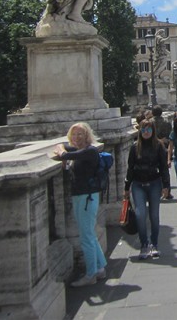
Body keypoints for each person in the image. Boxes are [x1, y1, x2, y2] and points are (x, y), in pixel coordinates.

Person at [52, 122, 107, 286]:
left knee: (86, 237)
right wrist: (62, 148)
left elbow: (64, 154)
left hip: (86, 197)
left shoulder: (90, 151)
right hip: (82, 196)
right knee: (90, 234)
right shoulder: (80, 150)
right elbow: (62, 147)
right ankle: (100, 267)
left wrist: (62, 152)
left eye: (80, 134)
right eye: (74, 134)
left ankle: (91, 274)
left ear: (87, 135)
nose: (76, 137)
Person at [124, 119, 171, 260]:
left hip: (154, 183)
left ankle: (154, 244)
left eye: (148, 130)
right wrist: (126, 187)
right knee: (140, 214)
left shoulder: (159, 146)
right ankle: (144, 244)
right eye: (143, 130)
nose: (146, 132)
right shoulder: (134, 147)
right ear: (140, 131)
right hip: (138, 184)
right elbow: (130, 169)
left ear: (153, 131)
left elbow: (163, 167)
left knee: (154, 215)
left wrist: (166, 185)